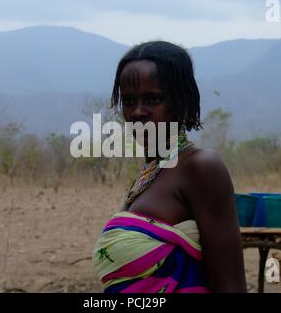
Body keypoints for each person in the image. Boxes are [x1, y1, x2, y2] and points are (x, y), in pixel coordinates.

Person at [92, 41, 247, 293]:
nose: (138, 112)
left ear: (181, 101)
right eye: (129, 101)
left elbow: (231, 287)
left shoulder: (201, 167)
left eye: (153, 99)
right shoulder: (152, 173)